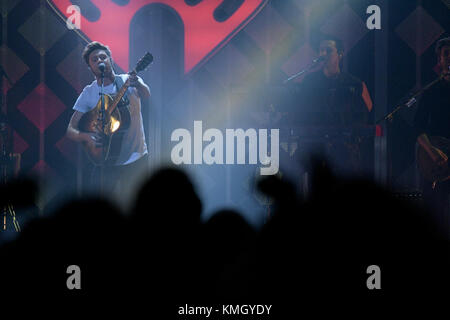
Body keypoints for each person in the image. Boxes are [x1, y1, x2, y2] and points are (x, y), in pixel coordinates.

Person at [66, 41, 150, 205]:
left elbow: (146, 94)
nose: (99, 61)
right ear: (90, 67)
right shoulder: (89, 92)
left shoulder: (129, 80)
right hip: (105, 160)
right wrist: (87, 137)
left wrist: (138, 84)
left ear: (111, 59)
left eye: (103, 57)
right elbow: (70, 129)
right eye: (94, 59)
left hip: (136, 159)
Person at [286, 36, 373, 180]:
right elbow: (299, 110)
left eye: (328, 51)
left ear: (340, 54)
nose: (323, 54)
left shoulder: (354, 83)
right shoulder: (309, 81)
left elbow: (367, 108)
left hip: (343, 145)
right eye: (320, 51)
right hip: (314, 142)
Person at [414, 37, 450, 232]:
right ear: (440, 59)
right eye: (446, 54)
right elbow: (418, 128)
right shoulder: (431, 91)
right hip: (436, 163)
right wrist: (432, 152)